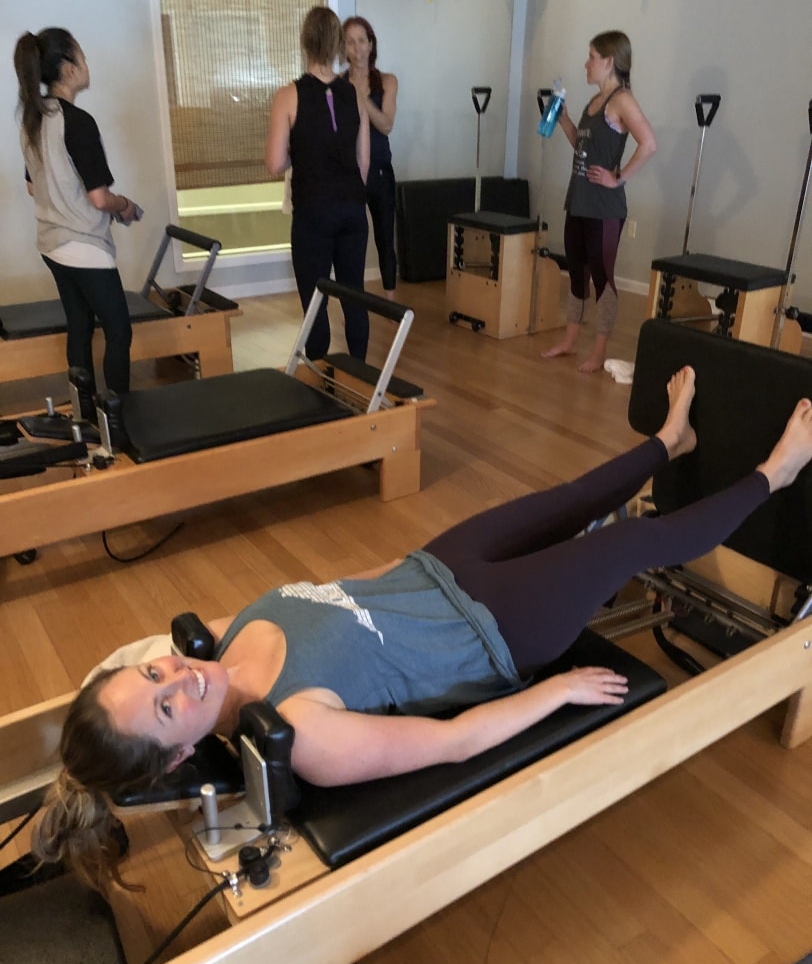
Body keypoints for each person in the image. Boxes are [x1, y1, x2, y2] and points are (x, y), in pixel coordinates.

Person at [32, 369, 812, 890]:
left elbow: (342, 590)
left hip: (438, 566)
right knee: (633, 541)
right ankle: (776, 473)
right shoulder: (301, 729)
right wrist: (559, 688)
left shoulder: (219, 640)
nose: (178, 676)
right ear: (177, 754)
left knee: (569, 498)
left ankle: (670, 441)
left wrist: (410, 563)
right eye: (166, 705)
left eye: (153, 673)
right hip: (499, 629)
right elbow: (455, 741)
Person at [13, 28, 141, 396]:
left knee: (80, 325)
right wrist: (125, 206)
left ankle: (85, 415)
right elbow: (100, 199)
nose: (87, 64)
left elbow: (33, 186)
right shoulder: (78, 122)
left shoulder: (34, 119)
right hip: (83, 247)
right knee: (119, 330)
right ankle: (117, 417)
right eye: (82, 57)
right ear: (69, 69)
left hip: (51, 246)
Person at [541, 30, 656, 374]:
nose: (586, 64)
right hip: (578, 201)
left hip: (605, 208)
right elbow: (582, 146)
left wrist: (617, 178)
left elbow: (648, 143)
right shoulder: (594, 103)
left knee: (602, 278)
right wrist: (563, 120)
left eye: (591, 57)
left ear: (609, 61)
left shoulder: (622, 100)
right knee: (576, 272)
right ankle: (570, 341)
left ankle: (599, 351)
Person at [266, 7, 370, 362]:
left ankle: (318, 379)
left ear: (305, 42)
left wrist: (303, 153)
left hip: (313, 211)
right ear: (338, 44)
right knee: (354, 296)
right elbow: (363, 161)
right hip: (353, 209)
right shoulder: (355, 94)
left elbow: (274, 162)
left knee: (315, 300)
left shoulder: (288, 96)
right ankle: (361, 376)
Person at [342, 16, 398, 301]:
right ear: (344, 47)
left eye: (362, 41)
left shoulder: (387, 81)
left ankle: (390, 302)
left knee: (385, 238)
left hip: (380, 171)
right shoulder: (337, 86)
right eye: (351, 42)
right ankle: (353, 302)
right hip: (349, 174)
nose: (357, 48)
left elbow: (386, 125)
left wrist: (361, 97)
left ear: (371, 44)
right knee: (351, 240)